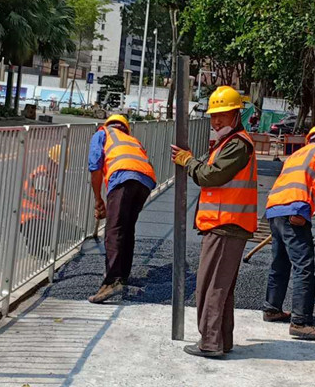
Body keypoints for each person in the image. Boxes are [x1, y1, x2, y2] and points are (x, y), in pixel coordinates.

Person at [171, 86, 257, 359]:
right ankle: (222, 340)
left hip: (227, 225)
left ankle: (209, 342)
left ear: (236, 114)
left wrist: (189, 162)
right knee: (221, 287)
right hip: (225, 225)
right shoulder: (228, 143)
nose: (217, 120)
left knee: (211, 287)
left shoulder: (237, 144)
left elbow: (211, 176)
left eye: (223, 115)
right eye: (214, 116)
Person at [262, 123, 315, 341]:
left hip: (275, 208)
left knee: (280, 262)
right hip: (295, 210)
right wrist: (314, 200)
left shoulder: (298, 154)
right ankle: (301, 322)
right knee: (303, 266)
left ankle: (272, 308)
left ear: (309, 138)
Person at [87, 113, 156, 304]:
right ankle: (123, 275)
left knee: (114, 228)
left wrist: (98, 199)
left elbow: (95, 167)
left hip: (123, 177)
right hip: (145, 180)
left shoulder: (102, 133)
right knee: (127, 227)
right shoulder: (132, 139)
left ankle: (112, 280)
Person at [20, 142, 62, 261]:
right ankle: (35, 246)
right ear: (52, 163)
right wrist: (62, 207)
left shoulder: (48, 176)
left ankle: (35, 244)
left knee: (70, 230)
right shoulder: (42, 176)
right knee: (68, 232)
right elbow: (43, 202)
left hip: (37, 221)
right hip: (33, 221)